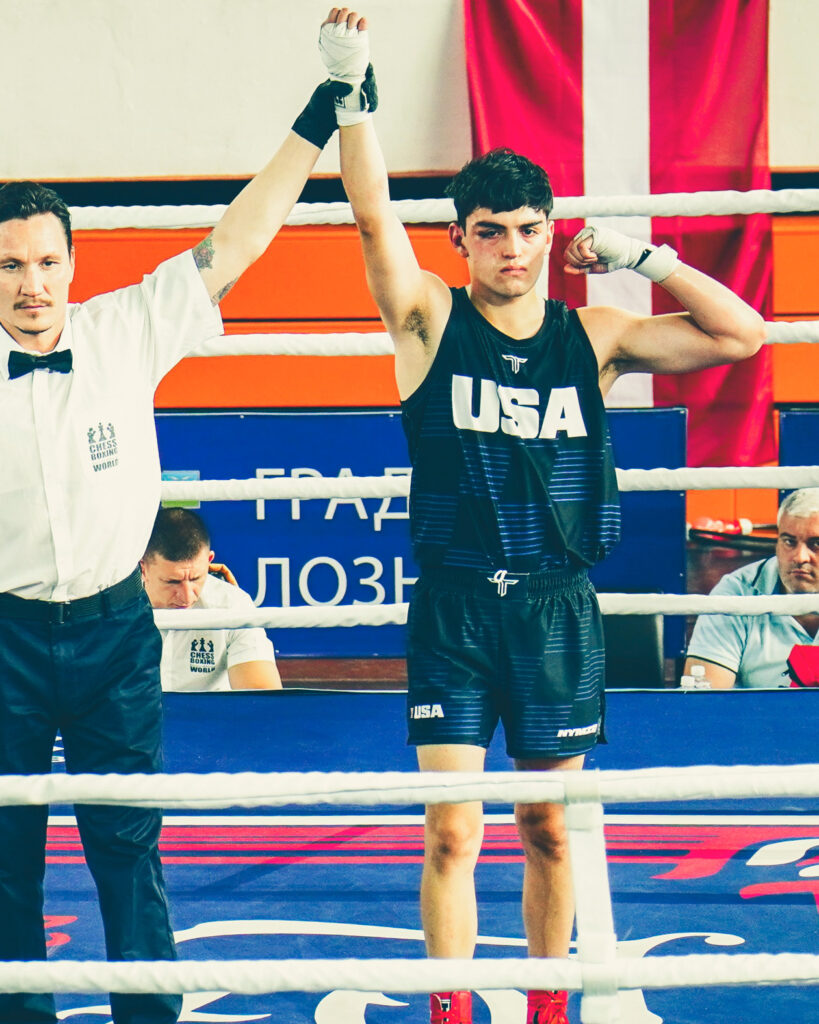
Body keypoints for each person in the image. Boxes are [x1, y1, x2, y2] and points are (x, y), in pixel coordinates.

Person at [321, 8, 766, 1023]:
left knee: (549, 828)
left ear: (552, 231)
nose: (512, 249)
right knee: (451, 830)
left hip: (556, 608)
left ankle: (547, 1006)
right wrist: (352, 101)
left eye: (529, 229)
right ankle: (448, 1008)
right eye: (491, 231)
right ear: (461, 239)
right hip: (455, 606)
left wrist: (645, 256)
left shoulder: (594, 336)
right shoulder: (429, 320)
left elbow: (740, 336)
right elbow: (373, 221)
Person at [0, 63, 351, 1024]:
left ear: (73, 263)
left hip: (115, 629)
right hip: (4, 635)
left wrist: (320, 113)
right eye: (10, 265)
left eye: (46, 262)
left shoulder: (125, 328)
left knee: (127, 846)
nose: (32, 284)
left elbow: (238, 239)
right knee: (4, 858)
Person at [684, 488, 819, 688]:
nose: (800, 557)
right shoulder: (736, 593)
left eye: (816, 544)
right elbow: (706, 699)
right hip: (757, 710)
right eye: (789, 542)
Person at [141, 507, 281, 691]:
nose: (187, 596)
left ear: (209, 560)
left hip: (209, 711)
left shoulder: (232, 604)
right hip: (136, 710)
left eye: (196, 578)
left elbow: (260, 696)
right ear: (143, 568)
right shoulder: (115, 605)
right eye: (173, 581)